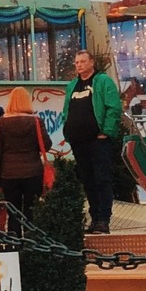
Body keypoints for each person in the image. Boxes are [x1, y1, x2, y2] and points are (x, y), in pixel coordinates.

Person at [61, 47, 121, 235]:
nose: (79, 65)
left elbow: (113, 108)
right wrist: (68, 132)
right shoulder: (72, 86)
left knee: (102, 179)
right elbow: (66, 111)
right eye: (77, 62)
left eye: (83, 61)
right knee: (88, 181)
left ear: (91, 62)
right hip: (79, 142)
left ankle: (103, 219)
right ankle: (94, 218)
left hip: (98, 141)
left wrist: (107, 131)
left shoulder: (103, 82)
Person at [0, 86, 48, 225]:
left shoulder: (2, 123)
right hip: (33, 172)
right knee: (31, 211)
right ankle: (31, 241)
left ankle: (14, 240)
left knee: (13, 212)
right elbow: (47, 145)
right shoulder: (36, 121)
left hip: (9, 174)